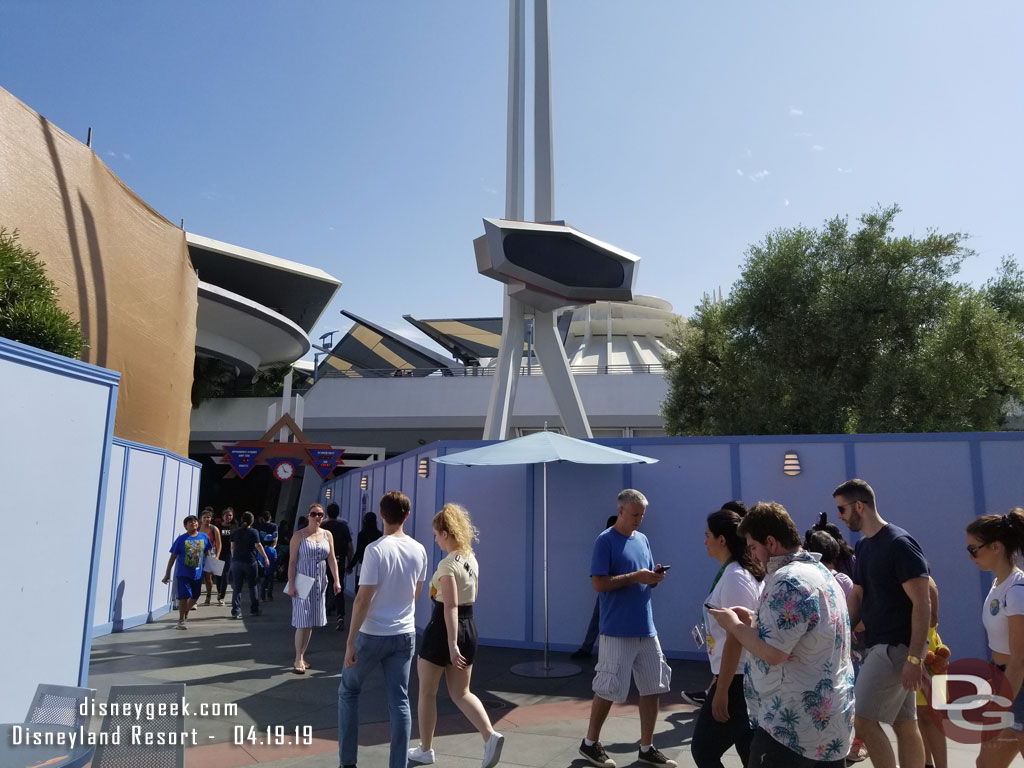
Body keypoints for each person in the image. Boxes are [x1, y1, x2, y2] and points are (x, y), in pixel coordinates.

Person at [709, 501, 854, 768]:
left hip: (791, 726)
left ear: (771, 543)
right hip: (831, 724)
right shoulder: (822, 573)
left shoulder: (787, 580)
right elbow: (804, 633)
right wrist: (754, 620)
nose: (752, 555)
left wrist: (733, 625)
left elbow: (774, 653)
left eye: (753, 547)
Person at [834, 478, 931, 768]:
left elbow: (922, 602)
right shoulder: (863, 546)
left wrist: (915, 657)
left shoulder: (899, 544)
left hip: (895, 649)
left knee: (862, 722)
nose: (839, 516)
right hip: (878, 645)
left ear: (859, 506)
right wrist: (844, 631)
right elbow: (859, 594)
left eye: (842, 509)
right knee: (905, 724)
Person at [578, 489, 675, 768]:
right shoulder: (605, 541)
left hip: (646, 627)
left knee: (652, 686)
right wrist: (636, 577)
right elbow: (598, 583)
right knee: (608, 687)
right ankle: (590, 743)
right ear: (620, 511)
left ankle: (647, 746)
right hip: (617, 628)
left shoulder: (643, 539)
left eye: (642, 515)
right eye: (635, 514)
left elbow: (644, 579)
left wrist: (653, 578)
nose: (639, 520)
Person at [408, 504, 504, 768]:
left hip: (443, 628)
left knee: (426, 692)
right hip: (469, 625)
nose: (436, 539)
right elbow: (469, 598)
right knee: (462, 692)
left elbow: (449, 605)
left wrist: (451, 644)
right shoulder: (471, 559)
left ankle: (426, 749)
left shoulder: (447, 563)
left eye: (437, 534)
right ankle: (490, 735)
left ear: (447, 533)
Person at [338, 491, 428, 768]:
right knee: (399, 700)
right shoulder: (419, 549)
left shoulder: (375, 550)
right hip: (404, 634)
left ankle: (348, 762)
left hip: (373, 633)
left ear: (381, 514)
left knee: (349, 691)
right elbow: (416, 593)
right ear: (407, 515)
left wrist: (350, 641)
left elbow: (363, 599)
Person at [691, 507, 763, 768]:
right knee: (749, 753)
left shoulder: (736, 577)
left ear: (722, 539)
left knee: (703, 750)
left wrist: (721, 688)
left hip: (737, 679)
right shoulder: (735, 573)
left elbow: (737, 635)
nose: (704, 540)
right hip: (736, 677)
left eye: (707, 534)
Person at [966, 508, 1024, 768]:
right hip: (1003, 680)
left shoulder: (1016, 591)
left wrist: (1001, 705)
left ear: (996, 547)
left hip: (1017, 686)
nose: (970, 556)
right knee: (986, 763)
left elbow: (1019, 658)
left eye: (974, 549)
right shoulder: (998, 585)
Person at [287, 502, 342, 674]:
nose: (317, 517)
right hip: (302, 580)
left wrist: (336, 581)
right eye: (313, 514)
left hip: (320, 581)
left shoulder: (327, 535)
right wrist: (291, 583)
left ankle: (302, 656)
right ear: (307, 515)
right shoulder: (299, 535)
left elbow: (332, 559)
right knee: (302, 621)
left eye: (320, 514)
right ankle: (297, 657)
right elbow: (292, 561)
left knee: (311, 622)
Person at [571, 515, 619, 661]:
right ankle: (588, 649)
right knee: (598, 618)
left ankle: (590, 649)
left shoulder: (616, 543)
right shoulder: (607, 543)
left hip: (615, 589)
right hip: (607, 589)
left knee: (601, 619)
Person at [161, 515, 212, 630]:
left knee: (196, 595)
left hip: (197, 573)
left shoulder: (204, 537)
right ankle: (181, 620)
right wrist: (167, 573)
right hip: (183, 572)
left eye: (195, 521)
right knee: (184, 596)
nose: (193, 523)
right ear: (185, 526)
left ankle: (185, 612)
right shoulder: (181, 539)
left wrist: (211, 567)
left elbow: (207, 552)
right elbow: (173, 557)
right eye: (190, 522)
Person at [230, 511, 270, 619]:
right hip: (250, 561)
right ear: (252, 521)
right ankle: (254, 609)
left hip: (236, 562)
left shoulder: (235, 532)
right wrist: (265, 557)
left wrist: (234, 558)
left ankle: (235, 611)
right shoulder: (253, 532)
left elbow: (232, 548)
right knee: (252, 586)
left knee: (237, 587)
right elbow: (258, 545)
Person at [321, 502, 354, 630]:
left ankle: (321, 613)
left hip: (323, 561)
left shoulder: (322, 526)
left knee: (322, 586)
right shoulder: (343, 527)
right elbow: (350, 547)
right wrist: (349, 562)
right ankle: (340, 617)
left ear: (327, 513)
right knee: (338, 589)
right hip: (338, 562)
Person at [349, 511, 383, 595]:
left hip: (363, 563)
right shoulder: (380, 535)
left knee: (360, 587)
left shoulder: (362, 534)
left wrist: (350, 566)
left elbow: (358, 552)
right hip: (376, 564)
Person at [197, 507, 221, 607]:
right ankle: (195, 598)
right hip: (198, 551)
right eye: (205, 517)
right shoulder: (197, 528)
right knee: (197, 576)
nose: (207, 519)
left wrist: (217, 556)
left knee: (209, 577)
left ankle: (208, 596)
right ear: (201, 519)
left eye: (208, 517)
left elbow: (219, 544)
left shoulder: (214, 528)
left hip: (211, 553)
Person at [215, 507, 237, 605]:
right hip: (219, 552)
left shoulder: (235, 527)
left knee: (226, 574)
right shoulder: (217, 527)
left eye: (230, 515)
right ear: (223, 516)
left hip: (229, 553)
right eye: (227, 515)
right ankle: (219, 591)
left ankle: (222, 596)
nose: (229, 517)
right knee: (218, 574)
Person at [256, 511, 278, 600]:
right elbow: (276, 537)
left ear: (262, 518)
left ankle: (262, 596)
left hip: (261, 549)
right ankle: (269, 595)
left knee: (263, 581)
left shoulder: (259, 526)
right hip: (271, 566)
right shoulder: (274, 526)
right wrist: (274, 546)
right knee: (270, 581)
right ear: (270, 518)